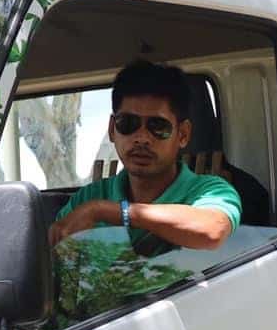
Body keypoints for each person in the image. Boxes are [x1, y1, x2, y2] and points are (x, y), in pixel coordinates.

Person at [48, 60, 242, 253]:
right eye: (128, 123)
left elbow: (211, 231)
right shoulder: (87, 198)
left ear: (183, 134)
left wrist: (108, 212)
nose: (141, 138)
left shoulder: (210, 192)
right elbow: (56, 264)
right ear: (112, 129)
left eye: (158, 126)